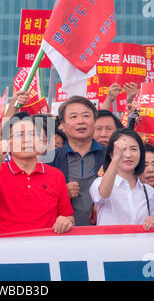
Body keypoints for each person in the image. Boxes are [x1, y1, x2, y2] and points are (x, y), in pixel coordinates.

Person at [0, 112, 75, 235]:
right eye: (19, 135)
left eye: (33, 134)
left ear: (43, 143)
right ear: (8, 143)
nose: (26, 140)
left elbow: (68, 217)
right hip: (4, 248)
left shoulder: (56, 175)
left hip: (46, 246)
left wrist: (66, 221)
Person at [47, 96, 106, 226]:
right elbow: (38, 201)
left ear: (95, 121)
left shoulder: (110, 156)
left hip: (103, 234)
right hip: (63, 235)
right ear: (62, 125)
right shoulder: (49, 159)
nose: (81, 121)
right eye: (74, 117)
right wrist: (61, 194)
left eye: (86, 116)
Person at [90, 128, 154, 229]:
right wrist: (116, 158)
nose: (128, 155)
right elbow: (103, 194)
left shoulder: (149, 192)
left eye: (134, 149)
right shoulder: (99, 183)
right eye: (122, 149)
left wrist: (153, 222)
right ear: (111, 155)